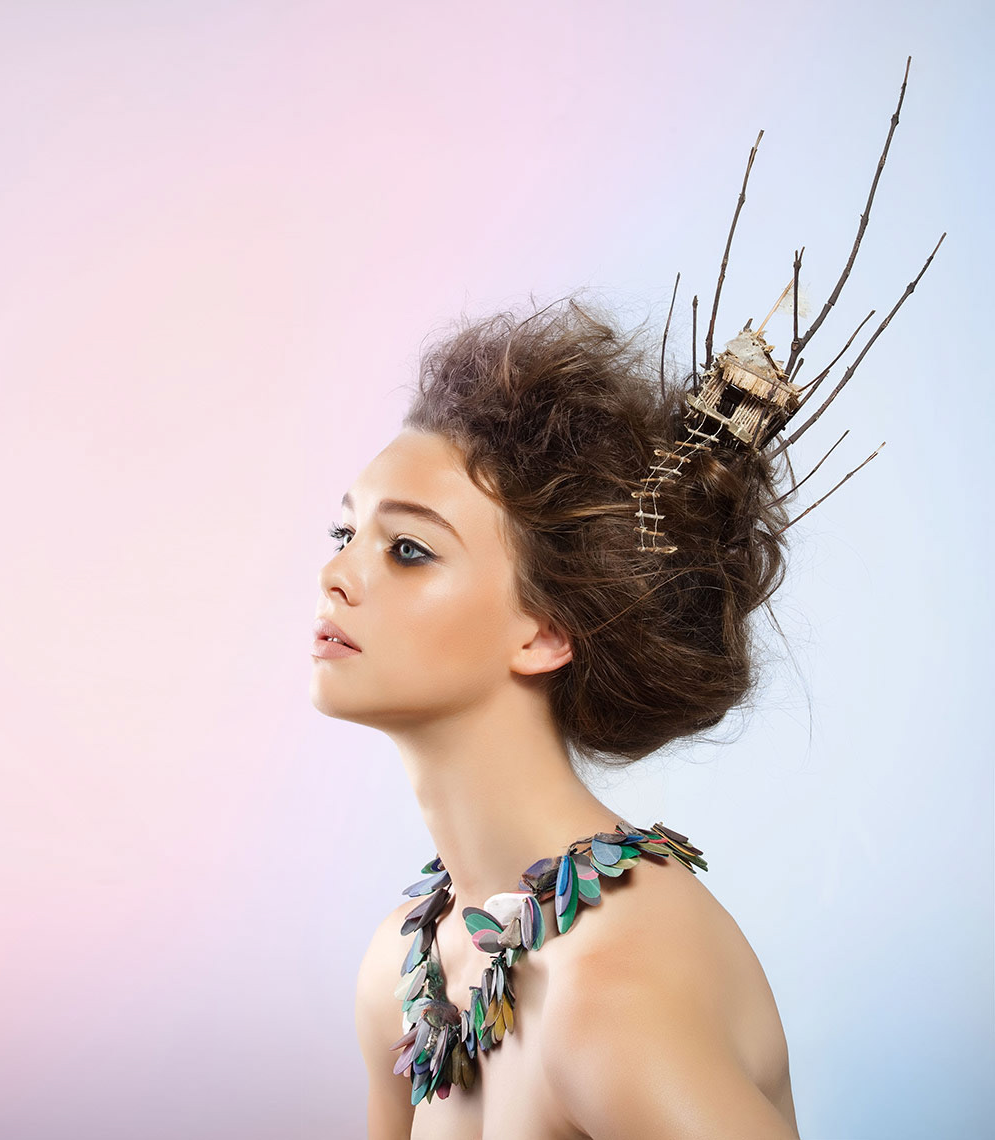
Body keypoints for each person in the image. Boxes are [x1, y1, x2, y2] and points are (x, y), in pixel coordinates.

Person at [314, 300, 801, 1139]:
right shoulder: (406, 971)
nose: (335, 573)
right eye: (345, 531)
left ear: (545, 630)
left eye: (407, 549)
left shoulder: (613, 998)